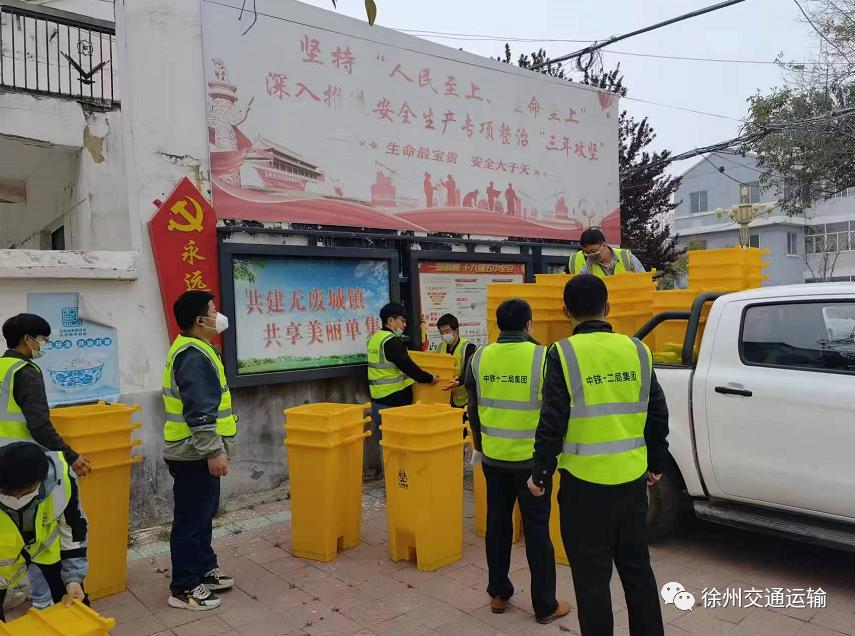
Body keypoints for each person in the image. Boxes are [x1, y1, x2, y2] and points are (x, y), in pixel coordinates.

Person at [528, 275, 668, 636]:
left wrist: (540, 474)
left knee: (591, 581)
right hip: (631, 484)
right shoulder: (637, 349)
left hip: (583, 489)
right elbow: (657, 412)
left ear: (565, 311)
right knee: (638, 572)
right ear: (608, 308)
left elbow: (552, 421)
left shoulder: (562, 353)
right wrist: (655, 464)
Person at [465, 299, 571, 625]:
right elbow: (555, 414)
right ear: (528, 325)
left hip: (494, 461)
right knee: (538, 532)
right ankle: (544, 605)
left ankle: (498, 592)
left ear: (499, 325)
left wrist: (480, 449)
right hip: (531, 465)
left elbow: (474, 409)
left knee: (497, 526)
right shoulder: (544, 356)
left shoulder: (479, 357)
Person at [162, 291, 237, 611]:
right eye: (213, 310)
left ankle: (204, 567)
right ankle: (184, 587)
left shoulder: (198, 348)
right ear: (200, 320)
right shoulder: (192, 355)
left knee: (203, 514)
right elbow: (199, 412)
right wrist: (213, 451)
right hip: (193, 452)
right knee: (191, 520)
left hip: (196, 450)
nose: (217, 314)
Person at [0, 442, 88, 622]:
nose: (17, 498)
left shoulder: (60, 481)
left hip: (48, 550)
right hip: (3, 561)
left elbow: (73, 529)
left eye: (23, 492)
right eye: (8, 493)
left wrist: (73, 578)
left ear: (40, 481)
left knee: (76, 605)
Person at [0, 314, 92, 475]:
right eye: (43, 339)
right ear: (28, 339)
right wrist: (71, 457)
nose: (45, 344)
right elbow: (39, 426)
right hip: (19, 458)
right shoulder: (25, 372)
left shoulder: (3, 366)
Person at [366, 303, 439, 477]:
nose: (404, 325)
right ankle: (400, 481)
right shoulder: (391, 342)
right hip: (394, 402)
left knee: (387, 443)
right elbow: (407, 366)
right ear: (390, 320)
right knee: (398, 446)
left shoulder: (374, 338)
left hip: (378, 399)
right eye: (402, 321)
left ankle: (392, 479)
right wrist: (428, 378)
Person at [435, 314, 476, 409]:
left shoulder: (468, 347)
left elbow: (470, 371)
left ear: (456, 330)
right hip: (445, 397)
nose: (444, 335)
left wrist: (458, 381)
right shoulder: (440, 347)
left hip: (464, 398)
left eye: (447, 331)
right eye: (441, 332)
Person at [567, 227, 645, 277]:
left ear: (604, 245)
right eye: (587, 253)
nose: (590, 255)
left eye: (593, 251)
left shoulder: (627, 258)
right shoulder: (586, 268)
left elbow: (645, 281)